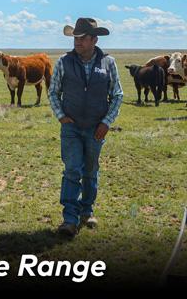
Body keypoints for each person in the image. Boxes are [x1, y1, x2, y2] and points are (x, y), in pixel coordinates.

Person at [49, 18, 124, 237]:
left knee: (90, 171)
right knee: (72, 169)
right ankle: (69, 219)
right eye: (76, 38)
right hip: (70, 126)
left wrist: (106, 122)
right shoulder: (64, 61)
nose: (78, 42)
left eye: (82, 38)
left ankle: (87, 210)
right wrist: (61, 116)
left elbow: (117, 95)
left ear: (94, 39)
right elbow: (53, 91)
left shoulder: (108, 63)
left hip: (96, 128)